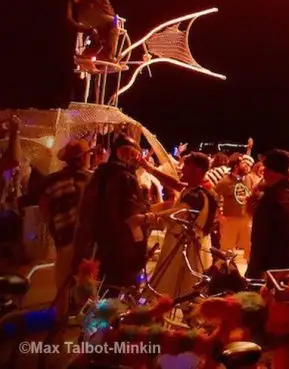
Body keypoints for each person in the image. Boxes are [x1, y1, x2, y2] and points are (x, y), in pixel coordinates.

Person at [73, 133, 151, 290]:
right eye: (134, 154)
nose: (137, 159)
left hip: (99, 245)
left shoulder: (99, 174)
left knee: (102, 290)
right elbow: (130, 217)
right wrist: (152, 217)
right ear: (122, 153)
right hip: (122, 250)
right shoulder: (125, 178)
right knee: (118, 296)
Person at [148, 153, 219, 297]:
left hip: (185, 248)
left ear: (197, 170)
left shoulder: (197, 195)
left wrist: (147, 217)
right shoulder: (194, 190)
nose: (181, 168)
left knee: (182, 290)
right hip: (183, 244)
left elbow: (178, 211)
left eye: (186, 166)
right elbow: (176, 185)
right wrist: (148, 167)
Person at [38, 138, 92, 316]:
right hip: (87, 242)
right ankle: (83, 327)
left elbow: (44, 208)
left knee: (62, 284)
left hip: (64, 239)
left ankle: (61, 325)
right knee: (86, 284)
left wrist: (53, 225)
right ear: (82, 158)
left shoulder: (52, 180)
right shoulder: (91, 179)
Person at [246, 150, 289, 279]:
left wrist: (252, 273)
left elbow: (260, 241)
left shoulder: (270, 199)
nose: (263, 172)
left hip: (271, 270)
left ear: (270, 171)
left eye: (266, 168)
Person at [215, 153, 256, 258]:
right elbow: (215, 197)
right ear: (236, 166)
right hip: (230, 219)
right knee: (227, 248)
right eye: (244, 163)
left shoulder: (249, 179)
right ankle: (225, 271)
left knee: (250, 247)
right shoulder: (225, 181)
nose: (247, 166)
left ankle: (249, 272)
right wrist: (219, 215)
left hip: (247, 218)